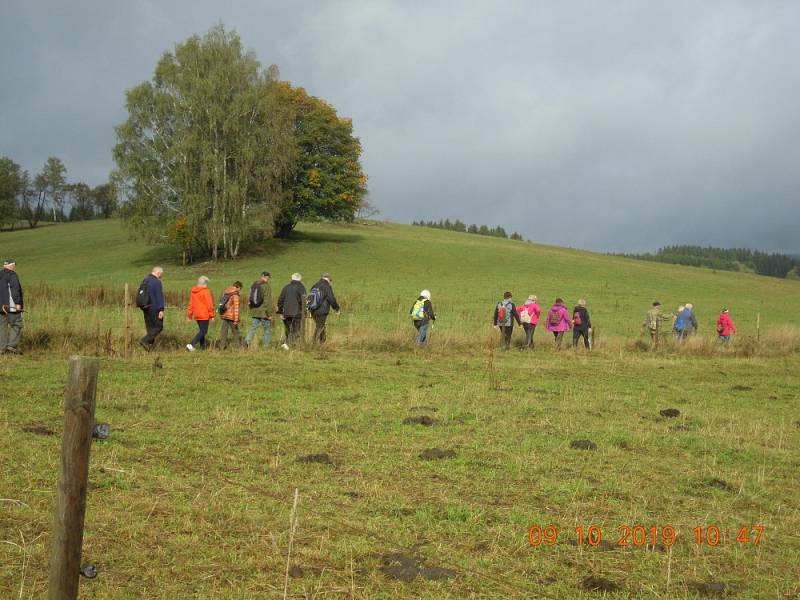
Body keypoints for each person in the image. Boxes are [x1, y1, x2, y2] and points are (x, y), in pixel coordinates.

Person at [308, 272, 340, 345]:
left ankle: (323, 342)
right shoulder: (327, 286)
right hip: (322, 310)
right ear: (328, 279)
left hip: (313, 309)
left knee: (320, 325)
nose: (330, 282)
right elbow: (331, 298)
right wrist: (337, 308)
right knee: (320, 326)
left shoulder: (315, 285)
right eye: (330, 280)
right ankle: (313, 343)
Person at [245, 271, 275, 350]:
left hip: (255, 310)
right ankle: (265, 347)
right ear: (267, 277)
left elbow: (249, 298)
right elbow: (267, 301)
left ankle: (247, 341)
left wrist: (251, 308)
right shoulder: (266, 286)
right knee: (267, 329)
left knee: (253, 327)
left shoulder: (254, 284)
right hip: (263, 312)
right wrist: (269, 314)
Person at [0, 259, 24, 355]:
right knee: (17, 324)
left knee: (1, 327)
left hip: (0, 306)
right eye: (14, 265)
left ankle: (1, 348)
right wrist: (18, 304)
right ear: (11, 266)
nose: (15, 267)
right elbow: (15, 289)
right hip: (11, 306)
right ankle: (11, 347)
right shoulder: (12, 275)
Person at [277, 273, 306, 349]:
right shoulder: (301, 287)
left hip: (286, 313)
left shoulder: (286, 287)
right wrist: (304, 311)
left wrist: (280, 312)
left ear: (292, 278)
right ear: (300, 279)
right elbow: (303, 301)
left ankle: (289, 345)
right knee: (296, 331)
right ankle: (287, 344)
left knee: (289, 330)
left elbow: (281, 300)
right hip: (297, 313)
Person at [139, 266, 164, 352]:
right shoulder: (157, 282)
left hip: (145, 307)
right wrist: (161, 309)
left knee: (150, 328)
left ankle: (150, 348)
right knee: (158, 327)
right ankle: (144, 340)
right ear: (158, 273)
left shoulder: (145, 280)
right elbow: (159, 296)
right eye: (161, 274)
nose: (161, 276)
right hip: (154, 308)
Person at [186, 276, 214, 351]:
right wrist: (212, 315)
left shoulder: (193, 291)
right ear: (205, 283)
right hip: (204, 314)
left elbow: (190, 304)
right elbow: (209, 304)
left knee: (202, 331)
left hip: (197, 314)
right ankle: (191, 344)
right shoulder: (206, 291)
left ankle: (203, 348)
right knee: (203, 331)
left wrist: (189, 316)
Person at [219, 281, 243, 350]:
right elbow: (236, 308)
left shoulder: (226, 292)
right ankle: (237, 347)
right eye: (240, 289)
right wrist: (236, 320)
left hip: (224, 315)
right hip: (231, 316)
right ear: (238, 287)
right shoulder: (235, 295)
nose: (240, 290)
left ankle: (222, 346)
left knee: (223, 332)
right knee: (235, 332)